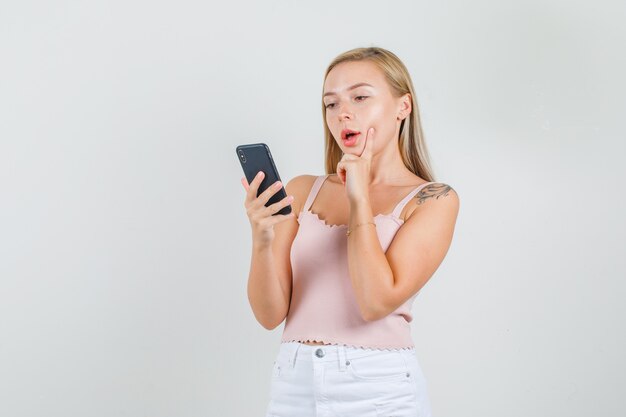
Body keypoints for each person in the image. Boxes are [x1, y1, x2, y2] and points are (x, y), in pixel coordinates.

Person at [241, 46, 459, 417]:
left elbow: (375, 302)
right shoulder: (302, 190)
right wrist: (261, 239)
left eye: (360, 97)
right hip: (294, 384)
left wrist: (360, 199)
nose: (343, 112)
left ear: (402, 106)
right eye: (331, 103)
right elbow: (268, 315)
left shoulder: (432, 200)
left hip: (377, 386)